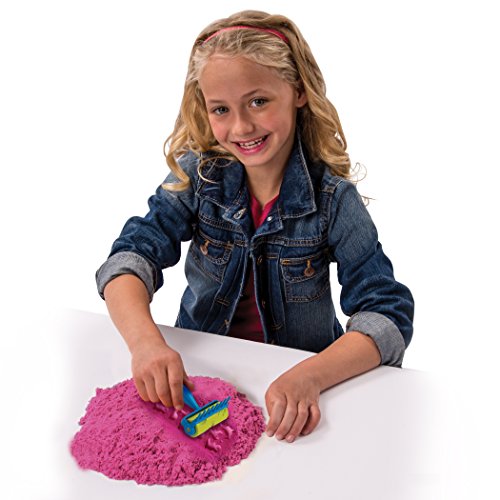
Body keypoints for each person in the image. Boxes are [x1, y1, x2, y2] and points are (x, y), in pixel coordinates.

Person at [96, 10, 414, 444]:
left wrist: (311, 375)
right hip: (199, 378)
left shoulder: (333, 200)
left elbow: (387, 314)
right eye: (221, 109)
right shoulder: (197, 177)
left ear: (298, 91)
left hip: (299, 389)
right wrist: (146, 345)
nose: (241, 127)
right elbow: (129, 259)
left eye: (258, 101)